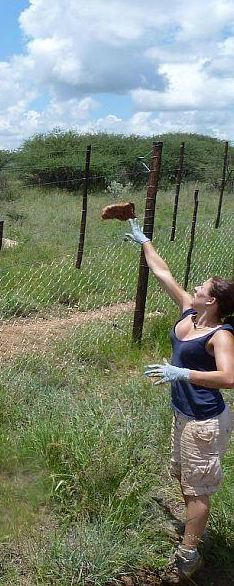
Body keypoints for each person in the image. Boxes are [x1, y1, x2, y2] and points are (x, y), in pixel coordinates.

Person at [125, 219, 234, 584]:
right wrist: (144, 241)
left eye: (201, 287)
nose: (195, 288)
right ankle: (192, 531)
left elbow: (230, 378)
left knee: (197, 487)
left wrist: (183, 374)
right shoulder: (190, 311)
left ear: (213, 300)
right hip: (184, 413)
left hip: (204, 420)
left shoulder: (220, 335)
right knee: (184, 476)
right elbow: (162, 273)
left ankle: (189, 555)